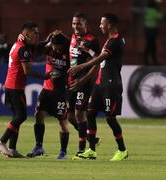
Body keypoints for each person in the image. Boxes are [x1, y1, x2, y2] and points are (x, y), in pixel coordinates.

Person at [69, 13, 128, 161]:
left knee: (110, 118)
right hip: (99, 84)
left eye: (102, 24)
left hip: (111, 85)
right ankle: (92, 150)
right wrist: (87, 51)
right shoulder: (109, 40)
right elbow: (100, 58)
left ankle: (122, 150)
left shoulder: (116, 41)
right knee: (90, 114)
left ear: (109, 25)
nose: (100, 26)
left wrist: (82, 65)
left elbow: (101, 58)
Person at [0, 22, 51, 158]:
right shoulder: (23, 49)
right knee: (21, 116)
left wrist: (46, 41)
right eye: (35, 33)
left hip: (11, 86)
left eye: (38, 33)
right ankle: (1, 142)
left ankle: (12, 149)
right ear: (26, 35)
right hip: (15, 87)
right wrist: (44, 76)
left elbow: (35, 46)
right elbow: (27, 70)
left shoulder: (19, 44)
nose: (37, 35)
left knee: (17, 117)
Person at [26, 33, 71, 160]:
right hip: (46, 89)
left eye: (58, 48)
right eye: (54, 47)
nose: (56, 50)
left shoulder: (69, 53)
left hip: (61, 91)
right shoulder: (49, 48)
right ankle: (38, 147)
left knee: (62, 121)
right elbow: (34, 48)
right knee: (38, 115)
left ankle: (63, 152)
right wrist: (47, 39)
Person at [67, 12, 102, 160]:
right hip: (71, 82)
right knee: (69, 116)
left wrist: (85, 79)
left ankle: (82, 150)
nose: (76, 26)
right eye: (74, 23)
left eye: (79, 24)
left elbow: (97, 61)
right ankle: (91, 138)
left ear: (85, 24)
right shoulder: (74, 38)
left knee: (79, 114)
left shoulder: (92, 41)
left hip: (84, 82)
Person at [143, 0, 163, 65]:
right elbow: (160, 16)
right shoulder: (153, 11)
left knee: (149, 45)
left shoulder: (146, 10)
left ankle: (147, 60)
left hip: (147, 30)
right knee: (151, 46)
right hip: (152, 31)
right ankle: (152, 61)